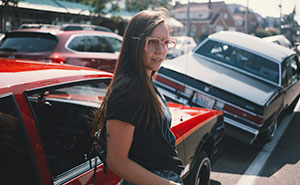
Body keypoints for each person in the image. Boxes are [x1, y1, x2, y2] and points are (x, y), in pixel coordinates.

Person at [92, 8, 184, 185]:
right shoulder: (128, 89)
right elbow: (117, 162)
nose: (160, 50)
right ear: (136, 44)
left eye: (166, 42)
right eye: (152, 42)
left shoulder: (146, 80)